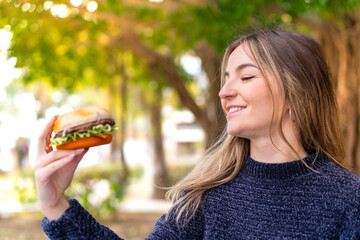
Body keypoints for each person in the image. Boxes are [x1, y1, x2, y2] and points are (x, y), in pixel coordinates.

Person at [35, 29, 360, 239]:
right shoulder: (206, 197)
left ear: (297, 90)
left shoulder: (348, 200)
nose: (224, 92)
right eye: (226, 78)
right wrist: (55, 203)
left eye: (246, 77)